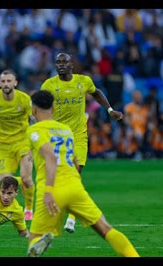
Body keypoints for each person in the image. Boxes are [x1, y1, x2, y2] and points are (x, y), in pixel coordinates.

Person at [26, 90, 139, 257]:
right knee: (106, 229)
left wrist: (49, 191)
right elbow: (74, 162)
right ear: (54, 108)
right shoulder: (66, 130)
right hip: (75, 186)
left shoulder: (34, 130)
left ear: (33, 109)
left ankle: (39, 243)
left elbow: (50, 157)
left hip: (51, 189)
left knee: (33, 241)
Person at [40, 52, 124, 232]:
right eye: (58, 62)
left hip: (78, 135)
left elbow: (97, 92)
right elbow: (40, 105)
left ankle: (71, 218)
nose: (61, 64)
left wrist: (110, 111)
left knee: (76, 173)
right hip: (57, 136)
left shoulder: (83, 81)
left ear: (72, 65)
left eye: (64, 62)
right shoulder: (49, 85)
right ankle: (58, 210)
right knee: (57, 175)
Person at [0, 69, 35, 221]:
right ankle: (14, 210)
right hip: (4, 146)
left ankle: (29, 209)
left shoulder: (24, 99)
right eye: (3, 81)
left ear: (15, 83)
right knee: (5, 184)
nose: (6, 84)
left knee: (26, 178)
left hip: (23, 143)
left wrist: (34, 140)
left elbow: (34, 119)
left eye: (9, 81)